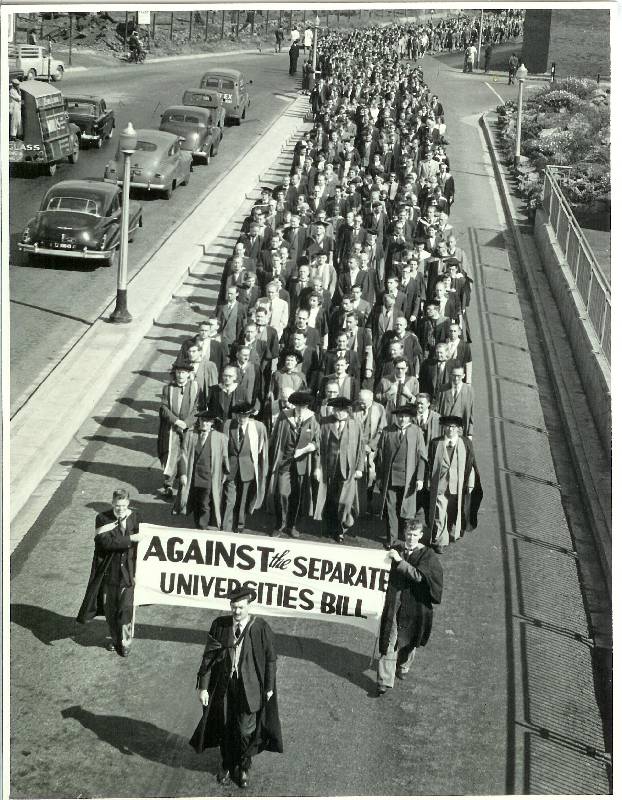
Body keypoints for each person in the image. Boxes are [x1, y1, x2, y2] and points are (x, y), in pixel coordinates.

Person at [190, 586, 283, 789]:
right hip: (224, 687)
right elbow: (209, 658)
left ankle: (243, 766)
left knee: (244, 731)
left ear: (250, 605)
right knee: (224, 727)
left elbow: (270, 660)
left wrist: (268, 687)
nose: (237, 612)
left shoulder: (261, 628)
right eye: (233, 607)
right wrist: (204, 687)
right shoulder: (220, 626)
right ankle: (226, 763)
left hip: (250, 689)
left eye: (241, 607)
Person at [376, 517, 443, 695]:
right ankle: (384, 680)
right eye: (408, 534)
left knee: (410, 639)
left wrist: (399, 561)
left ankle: (403, 666)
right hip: (395, 603)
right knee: (390, 639)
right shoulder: (396, 549)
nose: (410, 538)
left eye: (414, 535)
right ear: (404, 534)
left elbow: (419, 576)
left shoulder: (427, 555)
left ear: (420, 535)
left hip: (415, 606)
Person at [77, 489, 143, 657]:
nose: (120, 509)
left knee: (126, 610)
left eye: (123, 505)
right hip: (109, 573)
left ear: (128, 503)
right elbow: (105, 542)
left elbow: (141, 545)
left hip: (128, 573)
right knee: (111, 611)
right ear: (112, 503)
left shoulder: (135, 517)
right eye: (117, 505)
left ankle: (126, 642)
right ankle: (115, 640)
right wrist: (130, 540)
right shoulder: (102, 518)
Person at [266, 390, 320, 537]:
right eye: (297, 407)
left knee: (297, 496)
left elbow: (317, 442)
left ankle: (291, 525)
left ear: (307, 406)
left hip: (302, 464)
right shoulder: (284, 416)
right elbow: (275, 437)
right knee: (282, 493)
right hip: (285, 462)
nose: (300, 410)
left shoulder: (312, 418)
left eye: (303, 407)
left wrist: (304, 450)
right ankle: (280, 524)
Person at [427, 415, 482, 553]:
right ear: (443, 427)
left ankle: (450, 530)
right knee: (440, 513)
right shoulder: (435, 443)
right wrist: (428, 480)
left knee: (452, 512)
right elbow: (429, 464)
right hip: (439, 485)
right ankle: (440, 541)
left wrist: (470, 483)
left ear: (458, 429)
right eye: (447, 426)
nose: (450, 429)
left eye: (453, 427)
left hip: (457, 486)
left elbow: (471, 464)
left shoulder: (465, 444)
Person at [375, 405, 427, 548]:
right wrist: (379, 477)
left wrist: (420, 478)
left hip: (408, 478)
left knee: (406, 509)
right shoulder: (387, 431)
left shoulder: (416, 432)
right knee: (390, 508)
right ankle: (392, 540)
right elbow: (379, 457)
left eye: (405, 416)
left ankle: (405, 540)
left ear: (410, 418)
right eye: (400, 416)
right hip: (390, 477)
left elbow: (422, 457)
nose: (402, 419)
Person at [314, 396, 364, 542]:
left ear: (347, 411)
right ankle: (330, 528)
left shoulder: (355, 424)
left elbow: (361, 447)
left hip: (348, 469)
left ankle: (341, 528)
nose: (338, 413)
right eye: (335, 410)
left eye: (341, 410)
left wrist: (359, 468)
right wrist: (317, 467)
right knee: (330, 499)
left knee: (344, 501)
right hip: (329, 468)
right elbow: (319, 447)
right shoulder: (325, 422)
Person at [222, 402, 269, 533]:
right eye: (239, 415)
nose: (242, 418)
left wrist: (261, 469)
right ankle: (226, 526)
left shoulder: (258, 427)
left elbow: (262, 451)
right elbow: (223, 446)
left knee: (243, 499)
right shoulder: (228, 424)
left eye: (245, 416)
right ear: (236, 415)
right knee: (229, 498)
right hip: (230, 468)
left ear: (250, 415)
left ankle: (240, 524)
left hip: (248, 468)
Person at [178, 410, 229, 529]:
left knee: (205, 503)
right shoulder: (190, 435)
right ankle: (198, 525)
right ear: (199, 421)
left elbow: (225, 459)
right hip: (194, 476)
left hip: (208, 478)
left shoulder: (220, 438)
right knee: (196, 503)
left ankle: (202, 527)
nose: (204, 423)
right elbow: (183, 456)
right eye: (202, 420)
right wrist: (183, 474)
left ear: (212, 423)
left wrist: (223, 476)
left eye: (207, 421)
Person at [158, 361, 199, 498]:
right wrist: (176, 421)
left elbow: (197, 409)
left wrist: (186, 423)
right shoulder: (168, 388)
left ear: (189, 374)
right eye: (178, 372)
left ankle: (185, 483)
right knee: (171, 455)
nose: (181, 375)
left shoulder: (195, 388)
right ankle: (168, 484)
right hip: (172, 428)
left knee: (187, 454)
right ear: (174, 373)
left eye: (184, 372)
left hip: (189, 428)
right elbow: (164, 408)